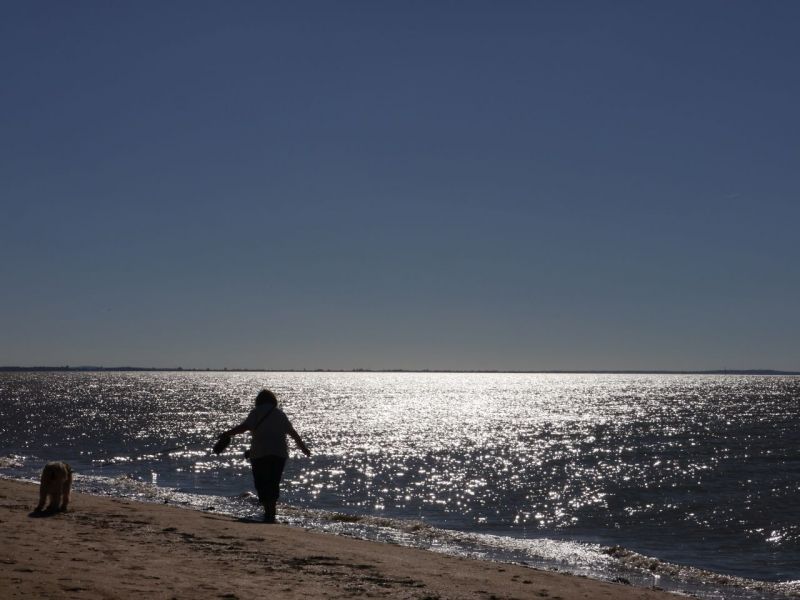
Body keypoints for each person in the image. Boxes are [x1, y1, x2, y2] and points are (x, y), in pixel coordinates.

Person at [217, 389, 311, 523]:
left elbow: (243, 428)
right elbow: (293, 433)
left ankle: (268, 512)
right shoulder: (280, 414)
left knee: (261, 482)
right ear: (273, 400)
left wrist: (227, 433)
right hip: (279, 454)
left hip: (259, 454)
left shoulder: (256, 413)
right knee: (273, 481)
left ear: (258, 401)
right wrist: (304, 449)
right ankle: (271, 512)